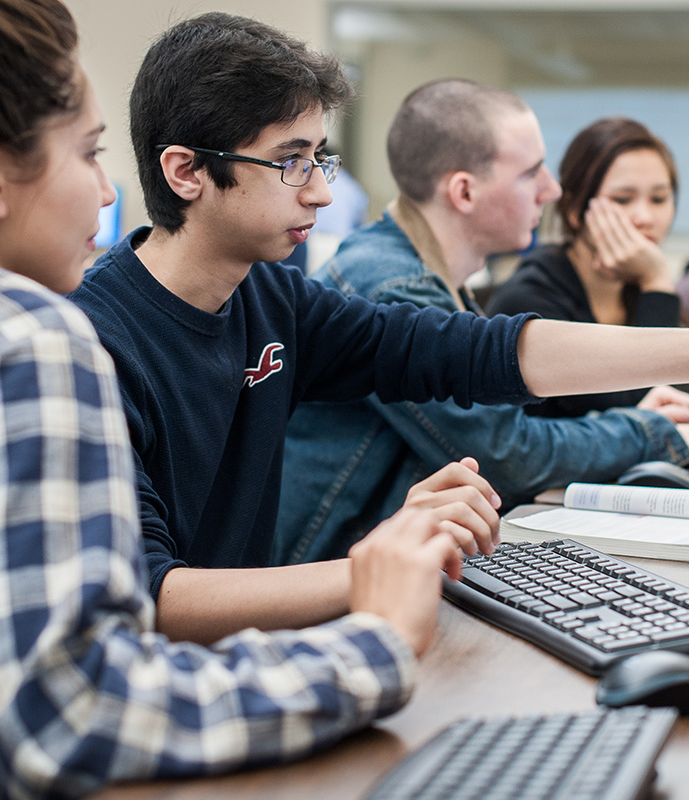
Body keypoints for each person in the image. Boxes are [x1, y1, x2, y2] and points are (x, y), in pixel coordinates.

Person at [0, 2, 500, 796]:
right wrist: (374, 638)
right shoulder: (25, 340)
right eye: (87, 153)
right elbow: (75, 714)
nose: (107, 189)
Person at [69, 12, 689, 648]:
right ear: (187, 172)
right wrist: (387, 561)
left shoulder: (270, 295)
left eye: (318, 160)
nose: (320, 194)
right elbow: (151, 596)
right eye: (290, 163)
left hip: (259, 653)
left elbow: (465, 352)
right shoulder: (95, 344)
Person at [274, 80, 689, 565]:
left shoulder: (436, 277)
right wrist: (648, 429)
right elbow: (508, 453)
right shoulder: (392, 285)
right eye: (532, 172)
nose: (550, 190)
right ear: (465, 191)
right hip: (323, 573)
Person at [488, 117, 682, 417]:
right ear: (575, 210)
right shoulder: (529, 301)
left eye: (659, 198)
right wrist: (656, 281)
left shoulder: (638, 290)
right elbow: (640, 411)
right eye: (622, 199)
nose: (645, 216)